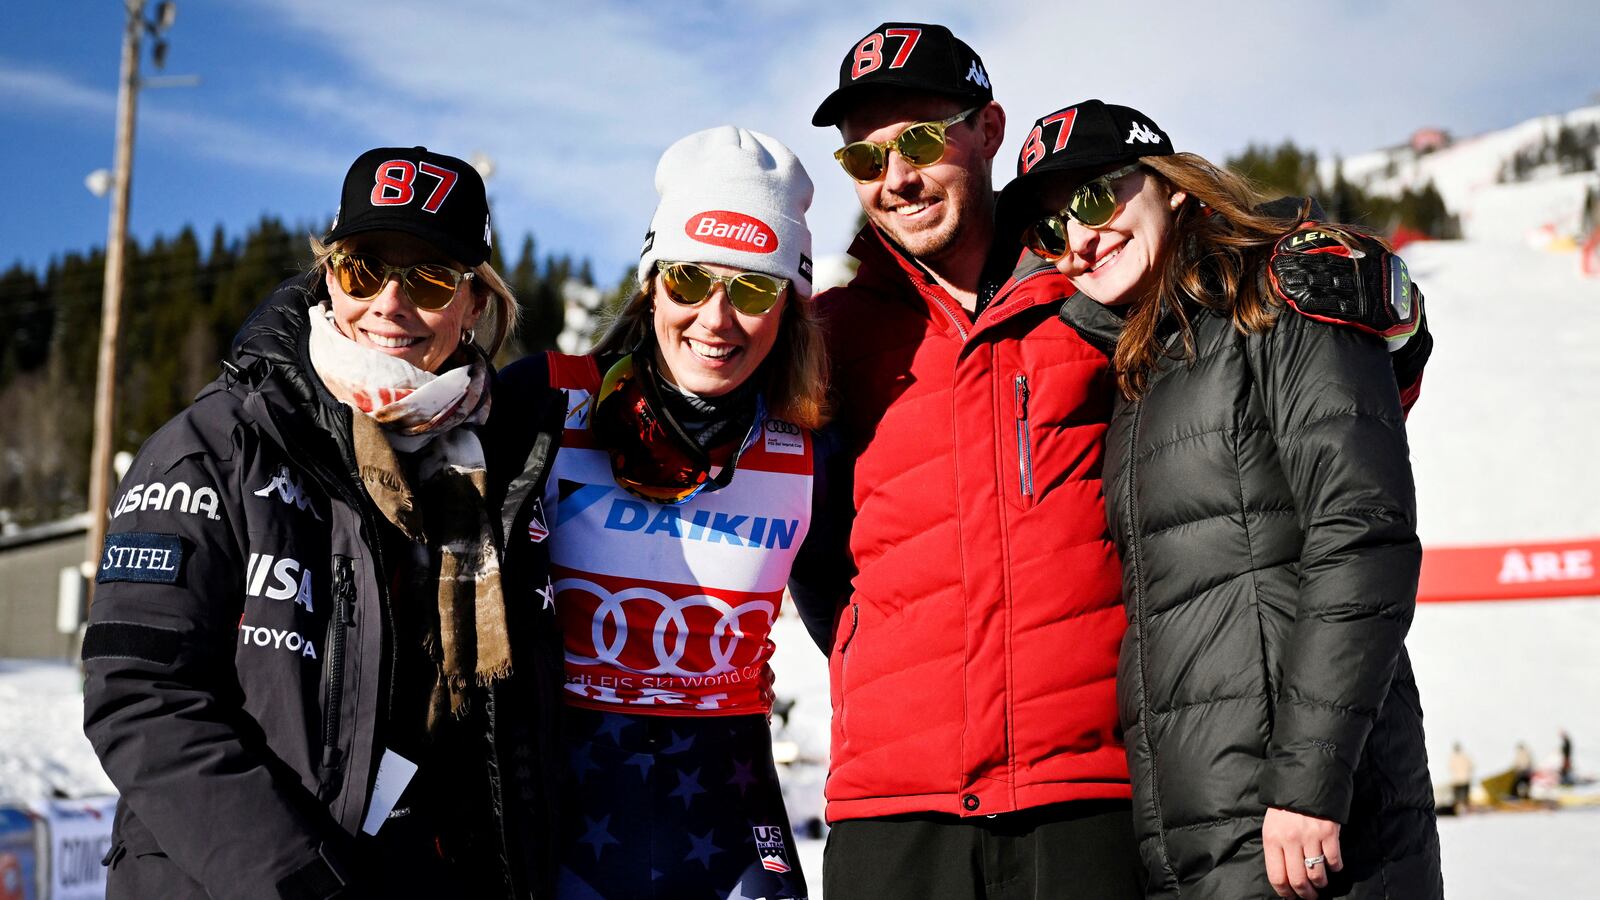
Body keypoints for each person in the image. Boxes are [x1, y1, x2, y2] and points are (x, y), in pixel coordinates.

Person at [792, 23, 1431, 900]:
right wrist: (889, 667)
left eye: (920, 139)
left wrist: (1386, 314)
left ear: (985, 131)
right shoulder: (834, 338)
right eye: (864, 161)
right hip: (897, 805)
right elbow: (812, 552)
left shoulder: (1091, 297)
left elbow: (1314, 425)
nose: (895, 176)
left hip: (1090, 796)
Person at [82, 147, 564, 899]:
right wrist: (302, 883)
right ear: (328, 276)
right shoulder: (216, 446)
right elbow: (141, 693)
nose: (391, 304)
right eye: (365, 269)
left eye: (432, 278)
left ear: (474, 304)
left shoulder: (503, 476)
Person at [998, 98, 1442, 899]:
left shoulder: (1280, 288)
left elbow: (1361, 534)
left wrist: (1309, 783)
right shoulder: (1147, 362)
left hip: (1308, 832)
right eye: (1049, 229)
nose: (1078, 240)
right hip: (1201, 834)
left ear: (1170, 185)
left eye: (1096, 200)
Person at [493, 126, 821, 900]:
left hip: (729, 819)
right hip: (563, 819)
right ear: (650, 284)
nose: (715, 317)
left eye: (751, 289)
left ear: (789, 307)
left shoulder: (809, 446)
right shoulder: (546, 400)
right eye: (689, 279)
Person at [1449, 743, 1475, 813]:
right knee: (1465, 797)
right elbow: (1471, 766)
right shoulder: (1465, 757)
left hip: (1457, 781)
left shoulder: (1453, 758)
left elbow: (1451, 768)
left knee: (1457, 798)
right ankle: (1466, 810)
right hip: (1465, 780)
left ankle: (1458, 811)